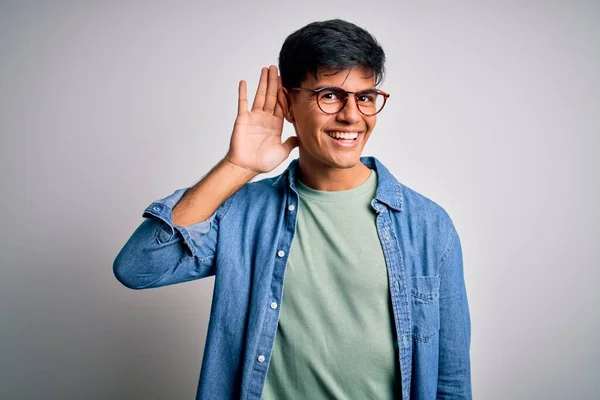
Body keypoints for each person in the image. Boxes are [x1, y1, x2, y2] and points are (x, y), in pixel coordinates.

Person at [113, 19, 471, 400]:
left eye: (365, 97)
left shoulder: (429, 226)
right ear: (287, 103)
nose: (352, 115)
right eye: (330, 95)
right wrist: (238, 167)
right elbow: (137, 267)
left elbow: (450, 380)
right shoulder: (242, 215)